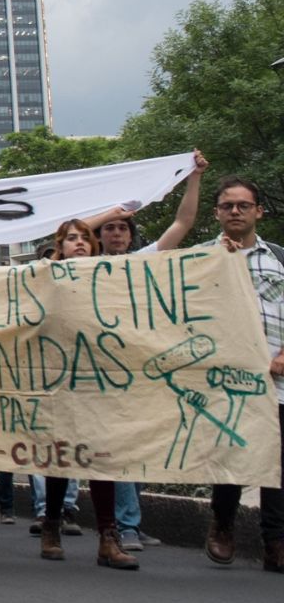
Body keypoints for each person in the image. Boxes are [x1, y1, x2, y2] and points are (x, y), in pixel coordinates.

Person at [85, 150, 210, 550]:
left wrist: (193, 177)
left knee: (136, 444)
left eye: (123, 228)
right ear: (100, 235)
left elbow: (183, 223)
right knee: (118, 446)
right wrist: (109, 211)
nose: (117, 233)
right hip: (102, 369)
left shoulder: (144, 262)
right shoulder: (83, 267)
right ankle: (126, 526)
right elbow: (66, 230)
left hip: (141, 366)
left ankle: (129, 521)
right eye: (110, 228)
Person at [35, 219, 138, 570]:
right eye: (70, 239)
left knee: (102, 453)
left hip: (100, 378)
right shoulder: (47, 276)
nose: (79, 243)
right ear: (59, 246)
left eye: (85, 239)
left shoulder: (112, 275)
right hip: (61, 378)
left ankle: (109, 537)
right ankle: (51, 524)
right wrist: (101, 214)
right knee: (61, 454)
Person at [200, 176, 284, 572]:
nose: (235, 211)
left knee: (278, 464)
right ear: (216, 213)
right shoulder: (198, 259)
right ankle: (224, 524)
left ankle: (276, 542)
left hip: (277, 381)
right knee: (230, 456)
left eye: (243, 205)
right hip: (224, 381)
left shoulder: (280, 259)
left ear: (258, 212)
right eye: (228, 206)